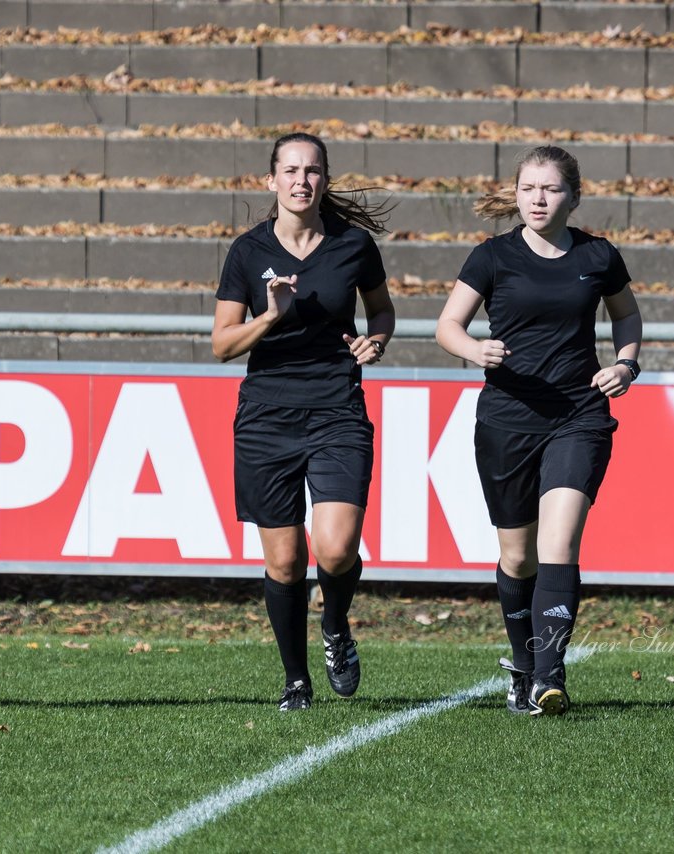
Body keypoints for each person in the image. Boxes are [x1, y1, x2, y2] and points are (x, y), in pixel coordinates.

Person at [435, 145, 642, 718]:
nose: (538, 198)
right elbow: (447, 325)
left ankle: (550, 678)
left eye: (550, 189)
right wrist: (475, 348)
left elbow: (626, 313)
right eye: (529, 188)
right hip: (507, 419)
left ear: (572, 196)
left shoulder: (598, 256)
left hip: (579, 415)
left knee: (560, 542)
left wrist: (625, 364)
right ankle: (523, 666)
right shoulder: (492, 257)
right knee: (517, 556)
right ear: (516, 193)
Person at [212, 132, 396, 711]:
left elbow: (382, 309)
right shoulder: (247, 252)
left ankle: (336, 625)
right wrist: (271, 316)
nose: (301, 180)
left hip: (338, 408)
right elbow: (221, 345)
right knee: (285, 561)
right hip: (267, 416)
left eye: (312, 170)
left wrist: (377, 340)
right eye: (289, 170)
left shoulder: (353, 245)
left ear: (325, 179)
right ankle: (296, 679)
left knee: (336, 550)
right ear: (271, 181)